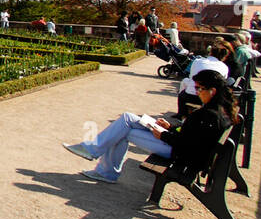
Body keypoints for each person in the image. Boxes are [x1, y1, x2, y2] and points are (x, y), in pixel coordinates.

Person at [62, 69, 236, 184]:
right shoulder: (219, 110)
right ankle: (99, 161)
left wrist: (164, 135)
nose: (197, 92)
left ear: (212, 91)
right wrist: (169, 128)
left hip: (178, 154)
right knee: (127, 119)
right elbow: (193, 136)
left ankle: (102, 166)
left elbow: (189, 144)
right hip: (179, 147)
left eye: (199, 89)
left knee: (124, 130)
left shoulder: (209, 115)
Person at [177, 43, 231, 116]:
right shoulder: (224, 67)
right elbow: (221, 82)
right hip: (210, 96)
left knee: (185, 83)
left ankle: (181, 113)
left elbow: (191, 76)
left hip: (192, 95)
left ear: (210, 52)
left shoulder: (198, 61)